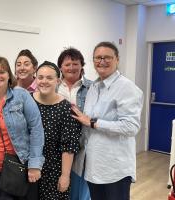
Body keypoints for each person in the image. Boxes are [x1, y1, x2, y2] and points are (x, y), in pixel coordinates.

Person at [72, 41, 143, 200]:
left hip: (114, 169)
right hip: (93, 166)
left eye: (107, 57)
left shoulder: (127, 88)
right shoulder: (94, 87)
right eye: (98, 57)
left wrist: (93, 122)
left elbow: (131, 127)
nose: (102, 61)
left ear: (117, 59)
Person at [0, 56, 44, 199]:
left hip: (21, 168)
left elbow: (36, 129)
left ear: (9, 75)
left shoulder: (21, 95)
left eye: (2, 72)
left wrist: (35, 164)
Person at [32, 61, 81, 200]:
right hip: (29, 169)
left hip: (54, 171)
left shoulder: (66, 108)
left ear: (58, 81)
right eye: (40, 77)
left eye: (49, 78)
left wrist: (65, 176)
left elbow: (69, 146)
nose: (44, 81)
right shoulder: (28, 101)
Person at [57, 47, 92, 200]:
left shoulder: (92, 87)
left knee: (81, 189)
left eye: (75, 63)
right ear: (60, 68)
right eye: (67, 64)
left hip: (84, 144)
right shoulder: (54, 86)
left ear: (82, 66)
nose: (71, 67)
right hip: (59, 144)